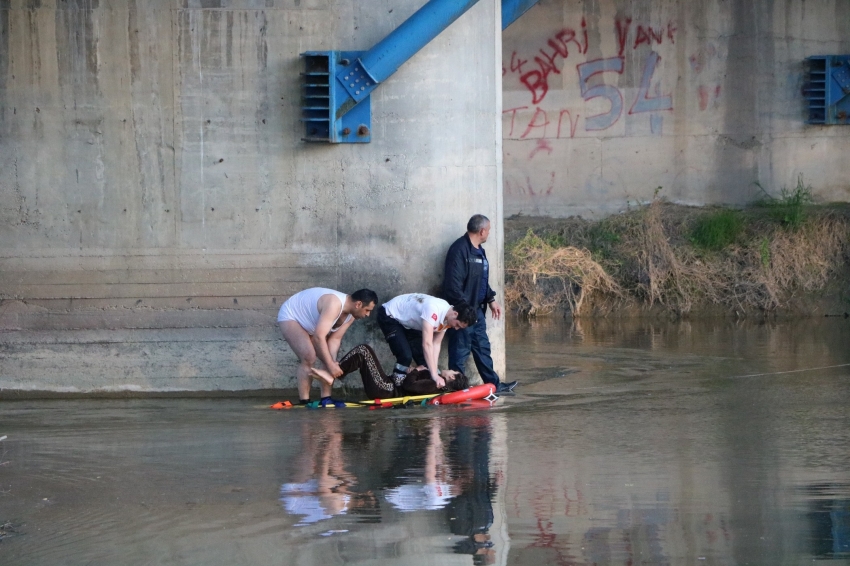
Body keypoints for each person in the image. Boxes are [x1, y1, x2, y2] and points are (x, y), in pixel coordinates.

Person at [443, 214, 518, 393]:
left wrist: (491, 299)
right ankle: (457, 390)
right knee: (459, 352)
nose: (489, 233)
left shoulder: (479, 250)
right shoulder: (459, 250)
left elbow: (481, 280)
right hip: (462, 313)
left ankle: (494, 385)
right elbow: (452, 286)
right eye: (489, 230)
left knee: (483, 349)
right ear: (482, 230)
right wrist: (465, 311)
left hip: (477, 311)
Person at [277, 287, 378, 406]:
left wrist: (331, 363)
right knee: (309, 356)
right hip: (292, 316)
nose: (368, 314)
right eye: (367, 310)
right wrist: (330, 365)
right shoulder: (334, 304)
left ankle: (326, 398)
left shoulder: (351, 316)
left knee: (328, 357)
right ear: (358, 304)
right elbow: (318, 337)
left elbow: (335, 339)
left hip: (313, 325)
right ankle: (304, 401)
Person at [376, 293, 478, 388]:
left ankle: (419, 386)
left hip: (409, 325)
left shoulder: (448, 318)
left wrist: (435, 372)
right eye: (457, 325)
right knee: (405, 355)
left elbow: (436, 344)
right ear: (455, 314)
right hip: (390, 315)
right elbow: (427, 344)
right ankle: (395, 385)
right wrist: (434, 375)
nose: (456, 328)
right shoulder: (434, 309)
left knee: (426, 362)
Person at [310, 343, 469, 399]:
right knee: (363, 351)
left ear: (452, 378)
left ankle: (333, 374)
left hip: (385, 389)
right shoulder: (437, 379)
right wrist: (413, 370)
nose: (452, 369)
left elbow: (409, 386)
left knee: (364, 350)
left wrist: (416, 371)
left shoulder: (436, 385)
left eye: (454, 372)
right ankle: (334, 374)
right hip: (386, 384)